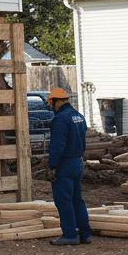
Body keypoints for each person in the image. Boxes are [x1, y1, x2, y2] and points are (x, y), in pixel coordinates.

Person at [46, 87, 91, 246]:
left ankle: (70, 235)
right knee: (77, 199)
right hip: (78, 162)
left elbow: (57, 146)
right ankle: (85, 234)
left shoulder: (60, 120)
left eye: (51, 103)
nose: (51, 107)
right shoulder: (78, 116)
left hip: (65, 165)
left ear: (57, 102)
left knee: (63, 201)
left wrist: (52, 166)